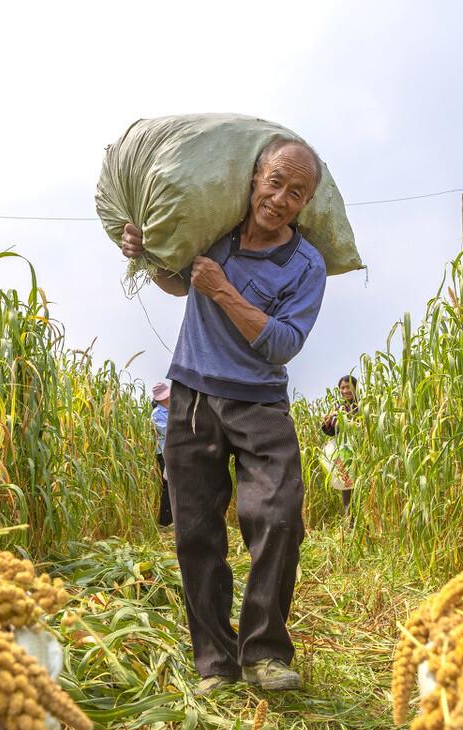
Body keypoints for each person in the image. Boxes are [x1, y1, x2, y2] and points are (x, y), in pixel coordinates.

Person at [119, 136, 326, 695]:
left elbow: (282, 343)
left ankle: (264, 653)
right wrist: (144, 252)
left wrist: (224, 289)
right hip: (191, 400)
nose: (281, 198)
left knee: (279, 519)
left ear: (305, 204)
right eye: (275, 182)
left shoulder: (307, 265)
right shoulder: (216, 231)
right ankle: (214, 660)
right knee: (196, 533)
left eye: (296, 192)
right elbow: (177, 280)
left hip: (260, 403)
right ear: (255, 178)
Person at [321, 375, 359, 524]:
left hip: (359, 448)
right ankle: (350, 521)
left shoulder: (362, 405)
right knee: (346, 484)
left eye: (348, 387)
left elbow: (362, 427)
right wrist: (327, 423)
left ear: (355, 387)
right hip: (343, 451)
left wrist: (346, 420)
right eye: (342, 388)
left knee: (360, 484)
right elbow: (332, 432)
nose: (345, 390)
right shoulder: (339, 407)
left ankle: (366, 521)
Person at [151, 381, 173, 527]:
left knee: (175, 484)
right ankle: (164, 522)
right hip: (165, 453)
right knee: (168, 484)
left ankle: (172, 520)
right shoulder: (157, 414)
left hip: (174, 450)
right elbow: (168, 432)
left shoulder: (170, 409)